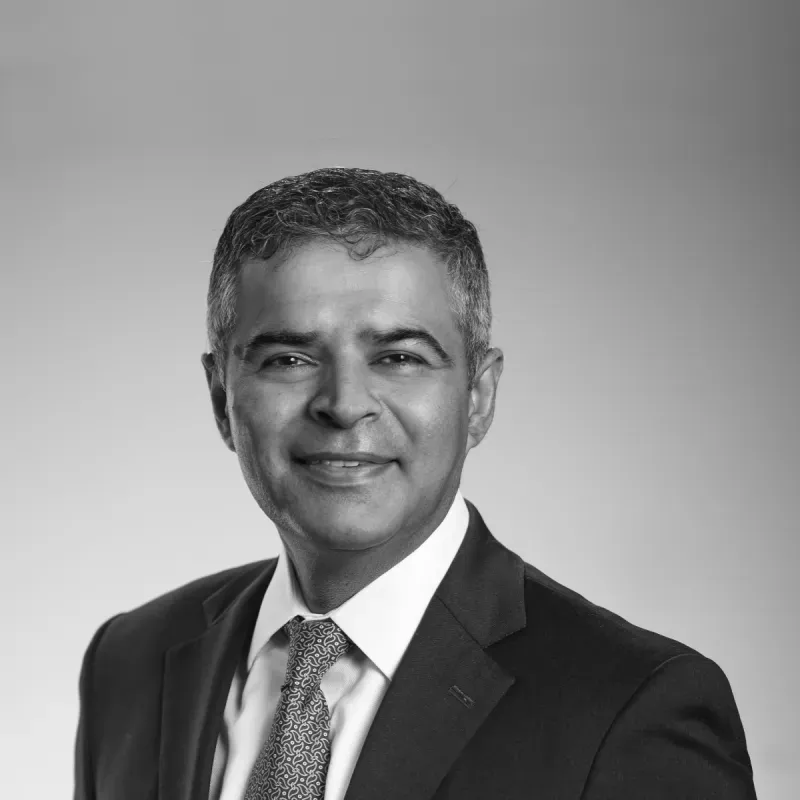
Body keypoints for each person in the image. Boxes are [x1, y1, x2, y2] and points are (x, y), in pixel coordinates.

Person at [73, 167, 757, 800]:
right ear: (223, 397)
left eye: (399, 357)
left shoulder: (631, 706)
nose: (344, 403)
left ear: (480, 396)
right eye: (289, 357)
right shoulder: (130, 663)